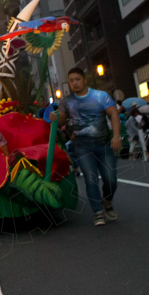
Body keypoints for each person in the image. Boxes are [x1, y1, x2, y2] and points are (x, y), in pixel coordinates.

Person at [51, 68, 121, 226]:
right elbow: (61, 120)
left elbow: (113, 114)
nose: (74, 83)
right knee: (91, 179)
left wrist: (116, 136)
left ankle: (107, 201)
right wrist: (55, 117)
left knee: (111, 179)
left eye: (77, 79)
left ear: (84, 80)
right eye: (71, 80)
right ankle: (98, 213)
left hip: (104, 144)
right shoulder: (67, 101)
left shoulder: (100, 96)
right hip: (82, 146)